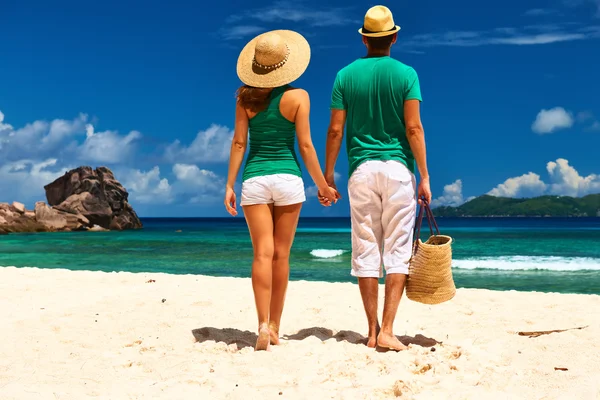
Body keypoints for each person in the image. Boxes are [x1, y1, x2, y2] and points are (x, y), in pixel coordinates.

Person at [321, 5, 432, 351]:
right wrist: (425, 176)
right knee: (397, 251)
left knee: (366, 249)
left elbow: (336, 130)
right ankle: (387, 329)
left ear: (365, 39)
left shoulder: (344, 76)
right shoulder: (406, 74)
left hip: (361, 171)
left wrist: (328, 174)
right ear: (394, 37)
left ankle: (371, 332)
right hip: (398, 170)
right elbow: (413, 127)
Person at [225, 29, 339, 351]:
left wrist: (229, 185)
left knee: (262, 252)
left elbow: (238, 143)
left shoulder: (245, 99)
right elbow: (305, 145)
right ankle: (275, 326)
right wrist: (323, 185)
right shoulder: (299, 97)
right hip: (288, 180)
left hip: (255, 180)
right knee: (282, 254)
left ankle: (261, 324)